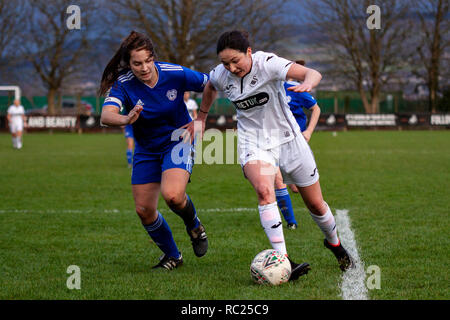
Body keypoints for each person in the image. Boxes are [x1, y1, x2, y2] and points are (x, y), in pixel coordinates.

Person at [184, 30, 354, 276]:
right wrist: (201, 116)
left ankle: (335, 244)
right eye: (225, 63)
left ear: (249, 52)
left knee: (316, 204)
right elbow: (210, 85)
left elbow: (311, 72)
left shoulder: (268, 64)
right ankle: (283, 260)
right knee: (265, 191)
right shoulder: (222, 74)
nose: (230, 68)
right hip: (254, 143)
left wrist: (309, 82)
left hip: (289, 141)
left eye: (236, 61)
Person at [99, 31, 209, 270]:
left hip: (178, 140)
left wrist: (201, 117)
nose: (144, 68)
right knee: (144, 210)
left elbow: (211, 83)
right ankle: (173, 256)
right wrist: (126, 118)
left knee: (173, 196)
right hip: (146, 149)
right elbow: (106, 115)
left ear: (154, 58)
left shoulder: (174, 73)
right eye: (137, 63)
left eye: (148, 61)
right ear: (128, 63)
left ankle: (195, 226)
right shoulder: (124, 84)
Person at [274, 60, 322, 229]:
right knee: (277, 181)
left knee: (295, 188)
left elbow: (316, 109)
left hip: (295, 143)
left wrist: (308, 131)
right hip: (273, 142)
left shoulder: (295, 89)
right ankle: (291, 223)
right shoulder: (271, 87)